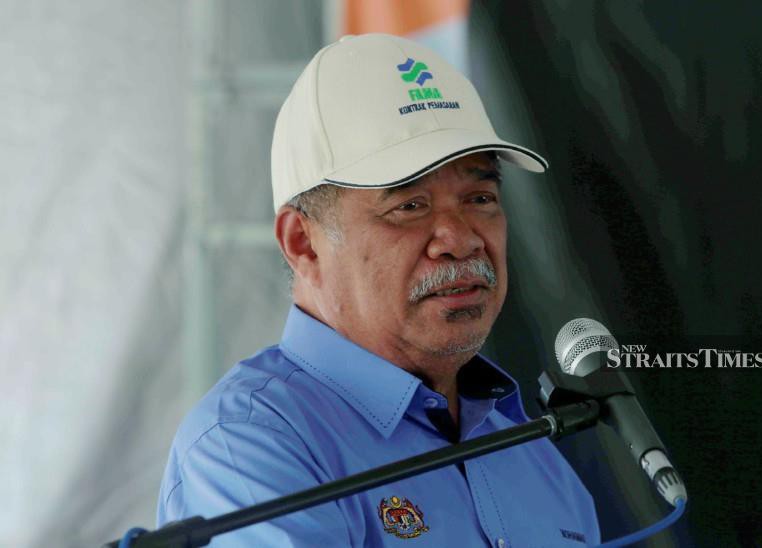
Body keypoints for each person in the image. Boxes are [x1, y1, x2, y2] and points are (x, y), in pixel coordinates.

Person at [158, 33, 601, 547]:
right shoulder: (250, 444)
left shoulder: (534, 454)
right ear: (304, 243)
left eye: (480, 197)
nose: (460, 239)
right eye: (410, 206)